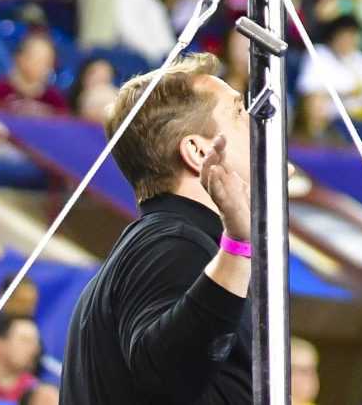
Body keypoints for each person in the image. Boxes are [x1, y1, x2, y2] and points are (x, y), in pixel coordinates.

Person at [61, 54, 255, 405]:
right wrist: (238, 246)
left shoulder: (168, 241)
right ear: (198, 151)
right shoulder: (171, 242)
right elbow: (166, 373)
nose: (261, 124)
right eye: (240, 113)